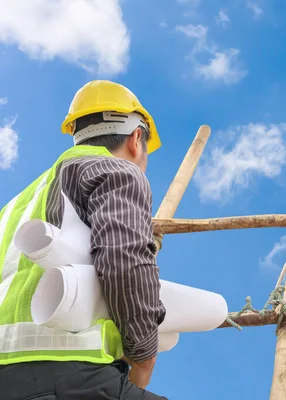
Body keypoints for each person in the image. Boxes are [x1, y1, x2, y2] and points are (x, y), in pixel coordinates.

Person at [0, 80, 168, 399]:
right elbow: (124, 261)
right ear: (136, 139)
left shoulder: (14, 207)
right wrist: (143, 355)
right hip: (72, 373)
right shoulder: (117, 171)